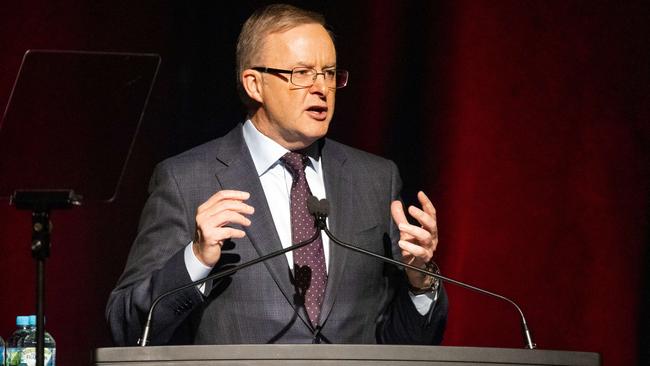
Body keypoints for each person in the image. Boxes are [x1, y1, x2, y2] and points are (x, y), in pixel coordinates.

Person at [106, 3, 447, 346]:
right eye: (302, 73)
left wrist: (421, 282)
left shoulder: (375, 179)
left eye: (328, 73)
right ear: (254, 84)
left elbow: (404, 343)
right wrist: (194, 259)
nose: (321, 88)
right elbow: (127, 326)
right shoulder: (186, 180)